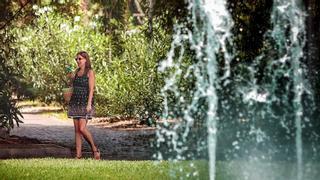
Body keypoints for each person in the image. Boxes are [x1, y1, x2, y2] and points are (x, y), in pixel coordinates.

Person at [67, 51, 100, 160]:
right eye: (76, 59)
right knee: (77, 130)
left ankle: (94, 148)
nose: (77, 61)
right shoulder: (76, 72)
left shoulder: (90, 72)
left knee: (82, 128)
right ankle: (78, 155)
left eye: (80, 59)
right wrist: (70, 78)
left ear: (86, 59)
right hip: (75, 101)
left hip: (85, 102)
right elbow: (72, 86)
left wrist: (89, 103)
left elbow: (91, 89)